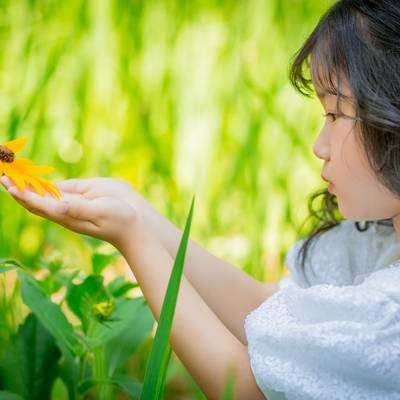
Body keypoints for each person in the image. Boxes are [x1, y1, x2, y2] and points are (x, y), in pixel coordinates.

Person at [1, 0, 400, 398]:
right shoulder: (380, 245)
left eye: (334, 115)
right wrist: (135, 209)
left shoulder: (390, 318)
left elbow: (246, 388)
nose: (319, 146)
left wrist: (132, 238)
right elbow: (259, 306)